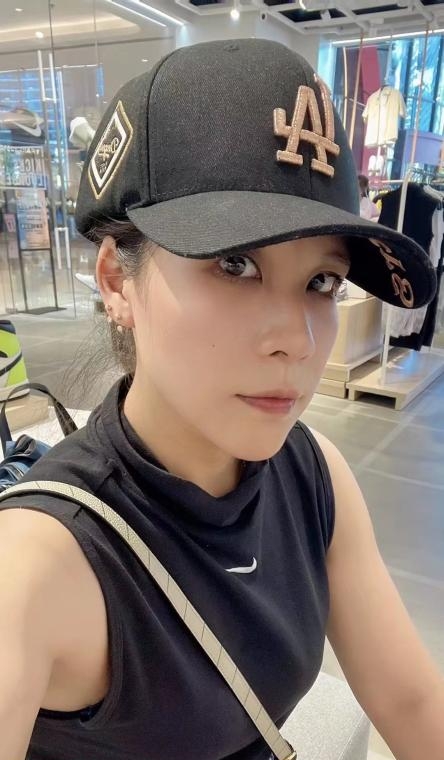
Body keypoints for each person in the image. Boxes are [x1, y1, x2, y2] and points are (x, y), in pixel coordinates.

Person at [0, 39, 442, 760]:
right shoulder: (38, 563)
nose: (296, 339)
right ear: (116, 281)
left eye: (322, 282)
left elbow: (409, 698)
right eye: (235, 264)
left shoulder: (312, 475)